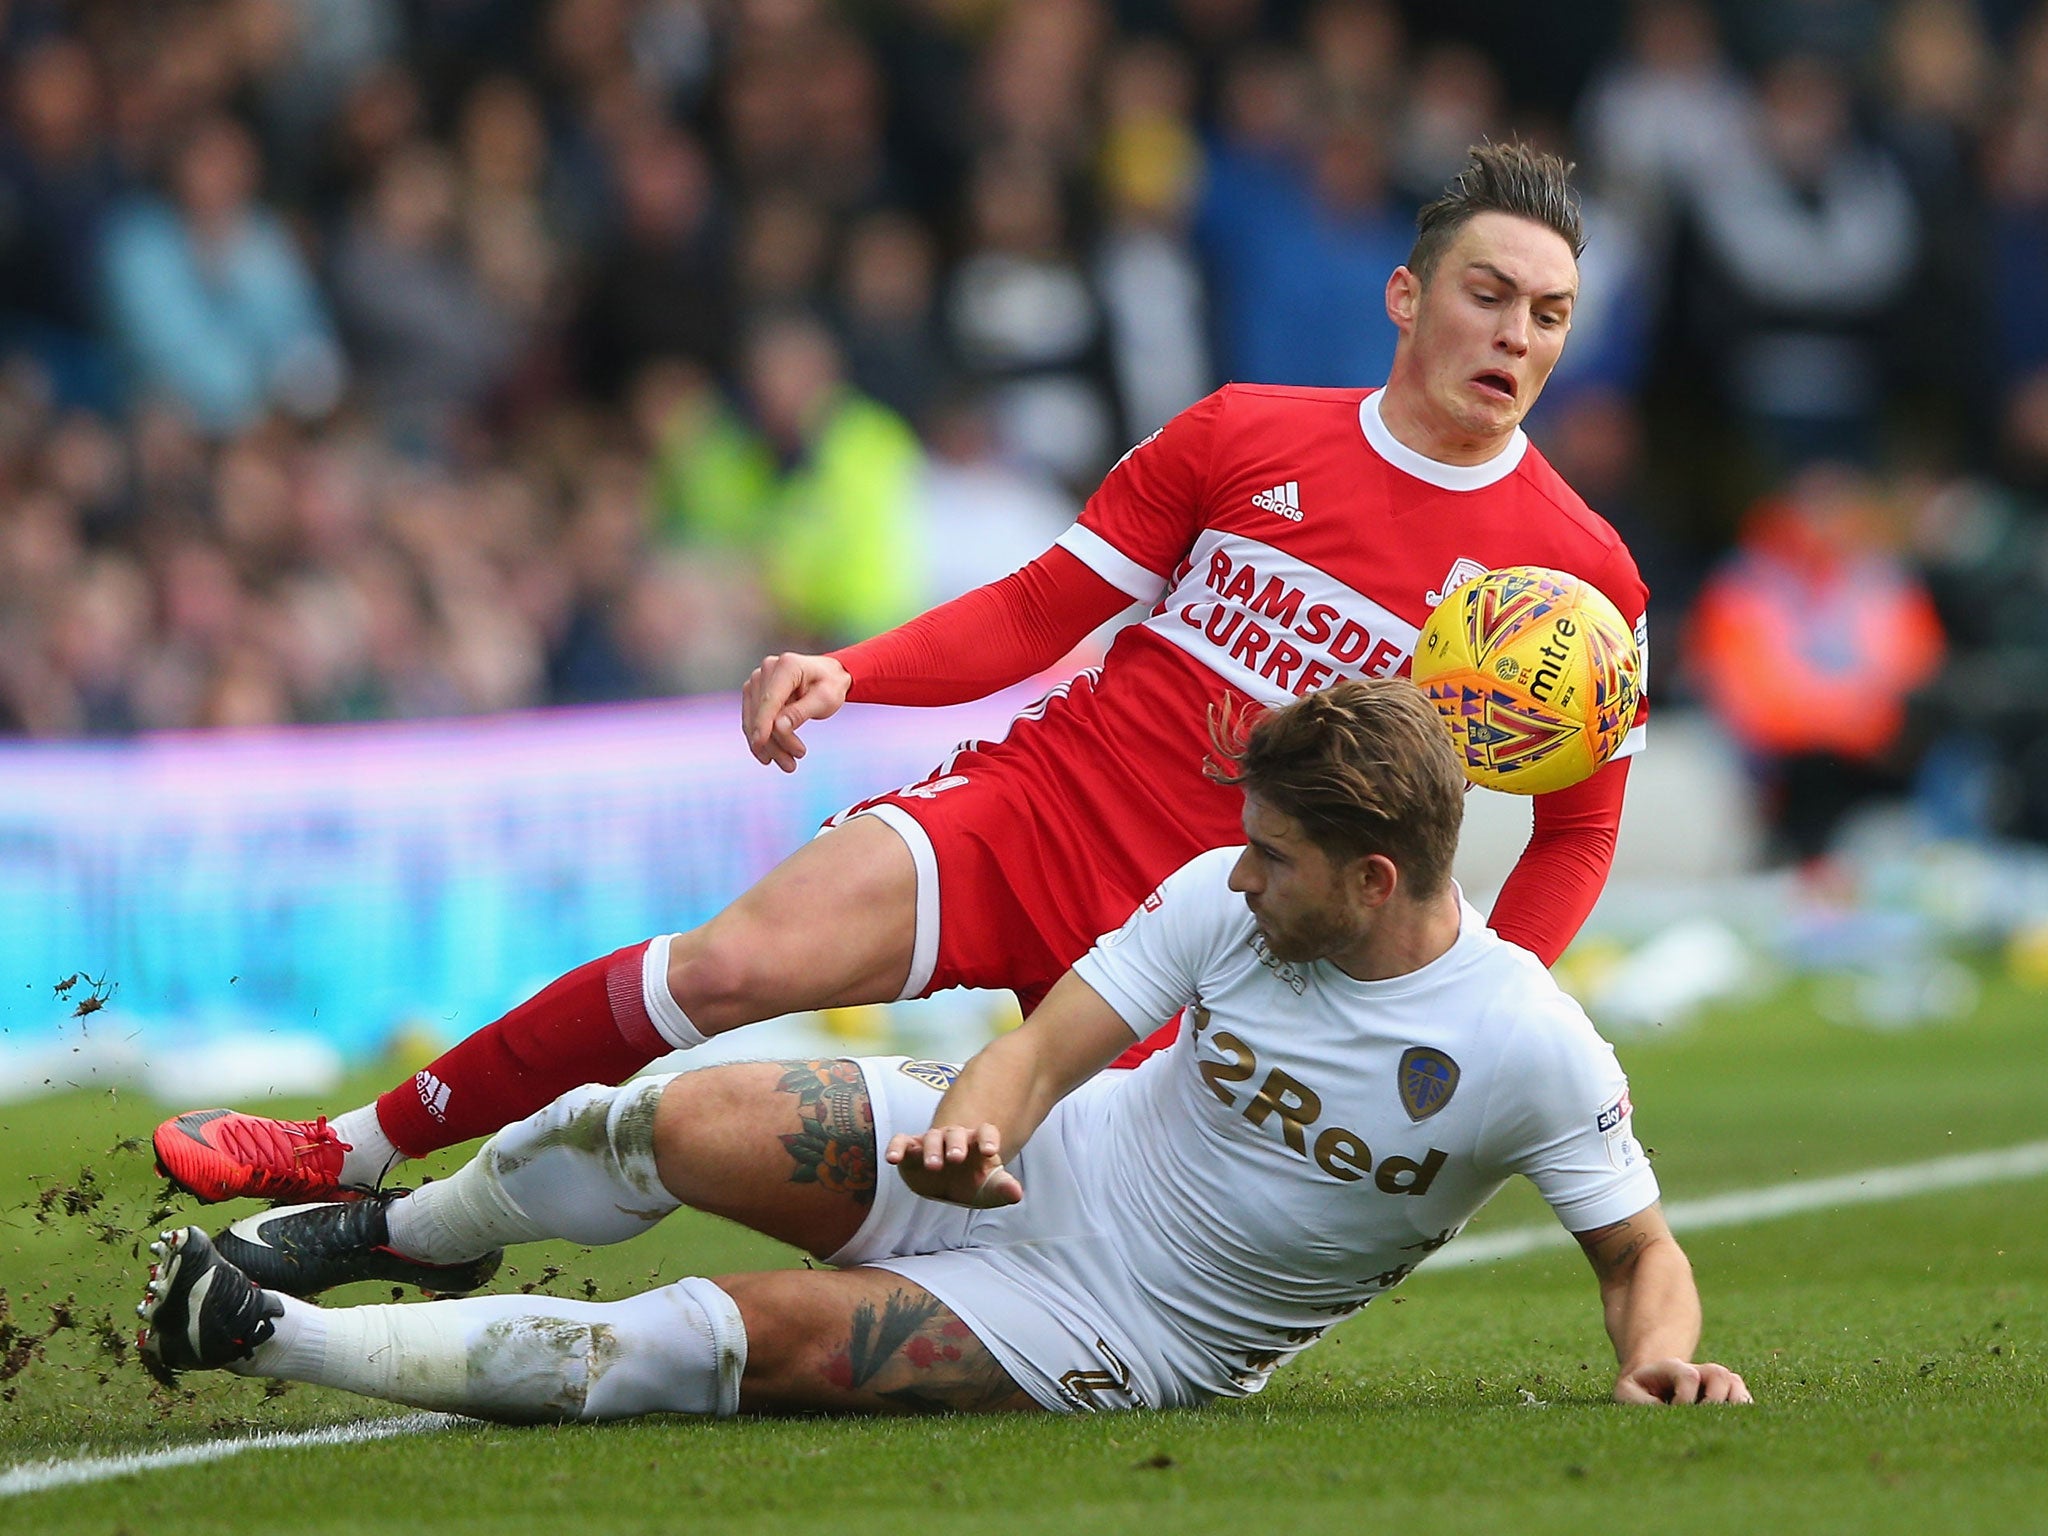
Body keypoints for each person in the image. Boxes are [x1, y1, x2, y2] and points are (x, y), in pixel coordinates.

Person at [152, 140, 1653, 1208]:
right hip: (1041, 810)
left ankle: (422, 1241)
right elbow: (1037, 609)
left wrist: (1481, 997)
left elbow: (1580, 827)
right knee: (726, 966)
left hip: (1228, 941)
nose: (1515, 335)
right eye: (1488, 294)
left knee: (1014, 1247)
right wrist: (847, 670)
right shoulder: (1245, 434)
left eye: (1548, 315)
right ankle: (345, 1151)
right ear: (1406, 298)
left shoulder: (1578, 583)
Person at [137, 681, 1748, 1417]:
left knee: (710, 1345)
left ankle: (262, 1337)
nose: (1237, 873)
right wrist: (976, 1126)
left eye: (1273, 856)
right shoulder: (1222, 899)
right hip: (1047, 1162)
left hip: (1121, 1325)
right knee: (662, 1124)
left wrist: (1654, 1359)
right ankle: (387, 1234)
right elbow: (1047, 1053)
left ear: (1376, 881)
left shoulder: (1530, 1046)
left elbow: (1639, 1254)